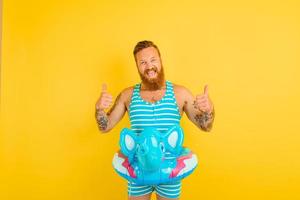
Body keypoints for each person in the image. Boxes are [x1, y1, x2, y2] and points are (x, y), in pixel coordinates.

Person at [95, 40, 215, 200]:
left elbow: (205, 126)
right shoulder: (127, 95)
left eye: (153, 60)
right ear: (137, 66)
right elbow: (105, 126)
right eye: (143, 62)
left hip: (169, 172)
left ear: (160, 60)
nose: (149, 66)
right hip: (138, 172)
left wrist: (209, 108)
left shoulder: (181, 94)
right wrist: (99, 109)